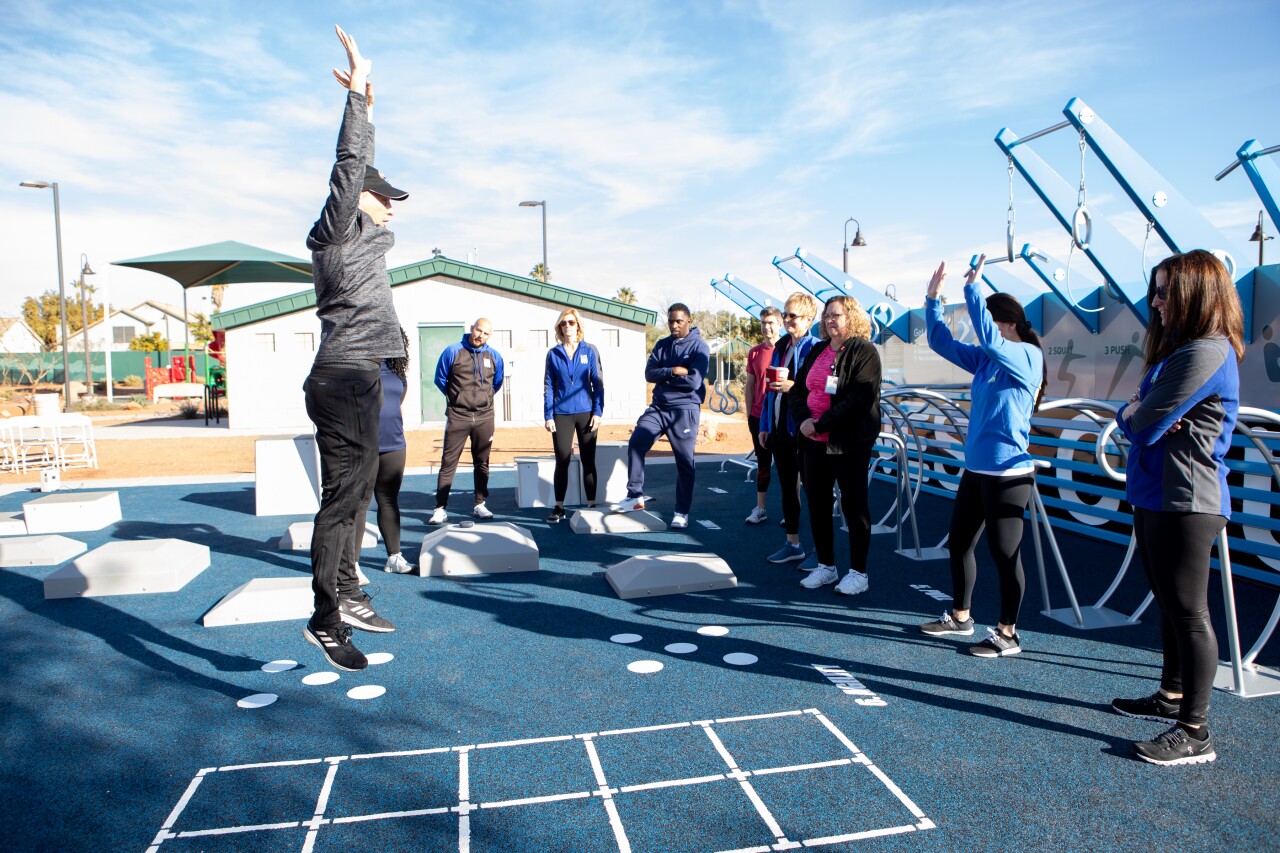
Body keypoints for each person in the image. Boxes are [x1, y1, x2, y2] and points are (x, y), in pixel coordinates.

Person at [1110, 249, 1243, 766]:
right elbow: (1146, 416)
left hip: (1186, 499)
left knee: (1190, 612)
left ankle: (1196, 730)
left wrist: (1137, 412)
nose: (1157, 301)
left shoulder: (1205, 352)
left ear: (1194, 295)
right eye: (1156, 290)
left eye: (1165, 291)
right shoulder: (1179, 352)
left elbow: (1140, 422)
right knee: (1169, 604)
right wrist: (1142, 412)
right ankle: (1170, 695)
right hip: (1155, 493)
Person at [301, 26, 404, 672]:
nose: (394, 209)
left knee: (361, 485)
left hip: (363, 375)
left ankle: (349, 587)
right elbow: (349, 166)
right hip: (339, 377)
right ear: (363, 197)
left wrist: (373, 100)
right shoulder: (337, 231)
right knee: (343, 496)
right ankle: (325, 613)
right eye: (387, 197)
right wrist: (359, 100)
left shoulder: (371, 236)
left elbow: (363, 168)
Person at [918, 255, 1045, 658]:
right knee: (958, 545)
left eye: (987, 321)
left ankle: (1008, 634)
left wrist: (973, 289)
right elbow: (941, 342)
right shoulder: (987, 360)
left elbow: (989, 338)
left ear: (1005, 322)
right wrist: (932, 300)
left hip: (1009, 474)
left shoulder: (1027, 356)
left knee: (1005, 555)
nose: (981, 331)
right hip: (976, 470)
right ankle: (960, 616)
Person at [788, 295, 882, 595]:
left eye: (836, 315)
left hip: (848, 442)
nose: (829, 320)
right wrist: (804, 420)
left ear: (851, 317)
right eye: (826, 315)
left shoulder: (864, 351)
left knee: (854, 506)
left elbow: (859, 399)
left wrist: (821, 423)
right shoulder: (817, 349)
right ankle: (826, 567)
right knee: (817, 504)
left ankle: (859, 573)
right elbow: (797, 390)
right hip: (813, 442)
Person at [612, 303, 710, 529]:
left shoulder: (699, 347)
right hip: (658, 407)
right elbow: (649, 373)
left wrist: (665, 377)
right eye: (671, 321)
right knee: (637, 442)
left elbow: (694, 382)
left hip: (684, 410)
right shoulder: (662, 344)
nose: (674, 325)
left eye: (679, 321)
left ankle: (681, 512)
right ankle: (635, 495)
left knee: (685, 462)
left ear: (688, 320)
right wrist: (673, 371)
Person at [759, 293, 821, 565]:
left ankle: (822, 555)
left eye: (792, 315)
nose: (786, 320)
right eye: (785, 314)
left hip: (805, 432)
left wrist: (792, 386)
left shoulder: (818, 348)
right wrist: (764, 424)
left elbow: (819, 392)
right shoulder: (781, 346)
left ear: (809, 319)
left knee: (814, 493)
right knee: (787, 489)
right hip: (780, 430)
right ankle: (793, 544)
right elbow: (769, 390)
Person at [430, 318, 505, 524]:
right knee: (448, 462)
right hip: (458, 416)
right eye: (478, 330)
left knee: (482, 463)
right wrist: (458, 397)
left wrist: (484, 399)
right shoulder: (452, 351)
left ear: (489, 336)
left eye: (486, 333)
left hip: (485, 416)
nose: (480, 335)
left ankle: (479, 504)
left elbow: (496, 383)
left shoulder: (494, 356)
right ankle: (440, 508)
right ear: (471, 329)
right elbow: (440, 379)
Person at [543, 308, 605, 522]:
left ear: (578, 326)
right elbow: (549, 385)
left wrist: (598, 412)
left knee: (588, 460)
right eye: (563, 323)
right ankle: (559, 507)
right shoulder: (553, 354)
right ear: (559, 328)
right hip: (561, 414)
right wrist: (548, 415)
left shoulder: (590, 351)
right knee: (562, 460)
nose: (567, 326)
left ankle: (591, 505)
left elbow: (598, 384)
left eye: (571, 322)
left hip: (586, 413)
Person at [378, 329, 414, 573]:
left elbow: (396, 403)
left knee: (389, 500)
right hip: (365, 444)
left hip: (394, 443)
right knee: (358, 505)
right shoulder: (361, 366)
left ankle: (394, 557)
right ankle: (351, 565)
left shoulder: (396, 370)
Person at [743, 307, 782, 524]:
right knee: (763, 464)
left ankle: (790, 511)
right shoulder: (755, 352)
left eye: (771, 323)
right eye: (763, 323)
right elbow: (750, 385)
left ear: (779, 324)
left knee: (789, 466)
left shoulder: (787, 350)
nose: (766, 327)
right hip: (759, 417)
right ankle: (760, 508)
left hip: (782, 417)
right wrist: (749, 415)